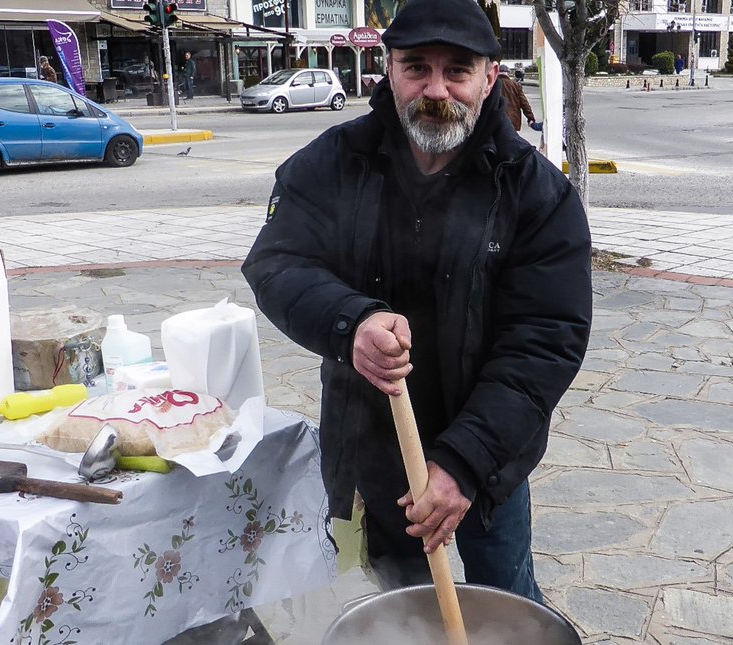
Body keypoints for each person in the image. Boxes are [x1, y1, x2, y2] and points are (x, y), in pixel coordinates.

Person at [242, 0, 591, 604]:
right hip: (369, 453)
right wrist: (351, 323)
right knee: (382, 608)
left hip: (487, 459)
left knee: (504, 605)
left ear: (490, 77)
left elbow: (544, 340)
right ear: (388, 69)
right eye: (416, 68)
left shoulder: (538, 195)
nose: (436, 90)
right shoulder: (335, 163)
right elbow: (278, 262)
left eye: (457, 70)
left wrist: (462, 463)